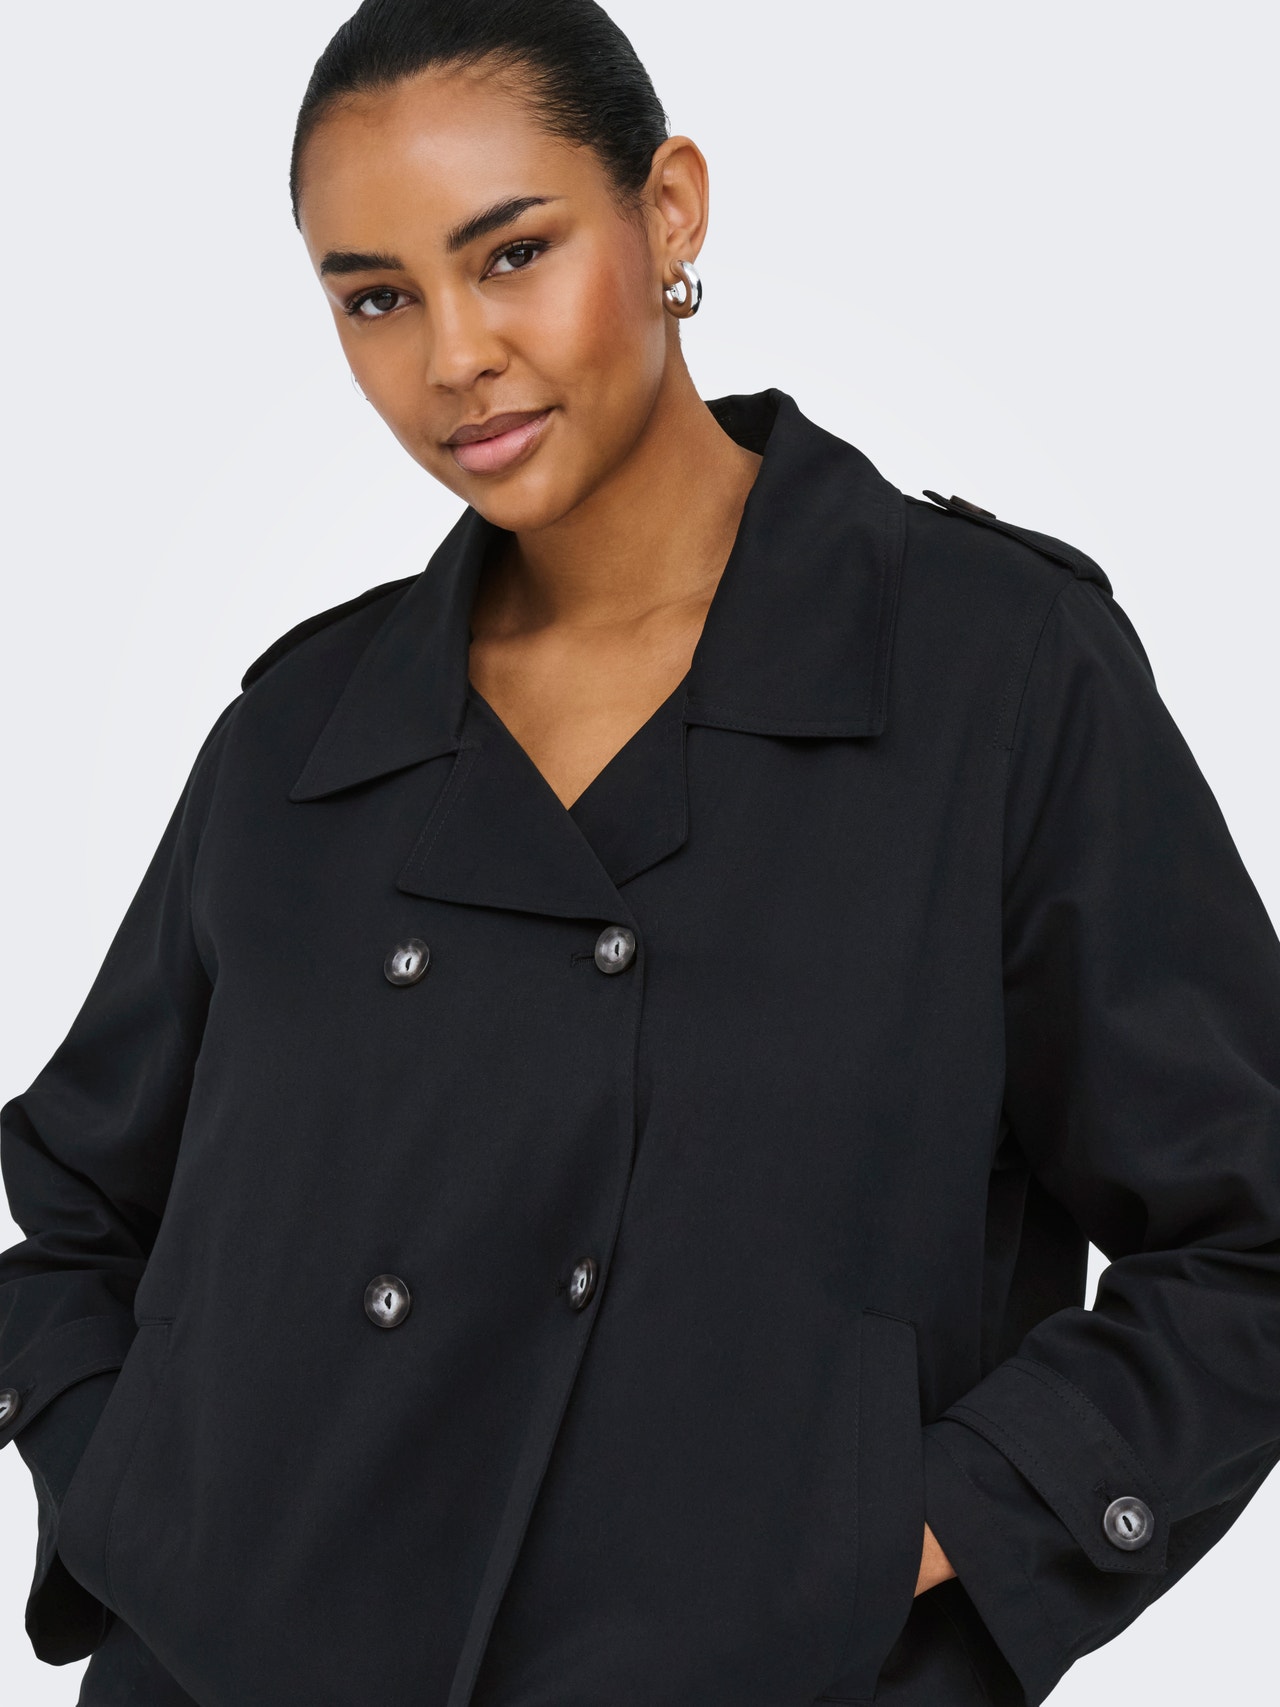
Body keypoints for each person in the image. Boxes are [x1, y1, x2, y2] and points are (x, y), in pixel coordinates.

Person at [2, 1, 1279, 1702]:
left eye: (512, 254)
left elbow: (1248, 1234)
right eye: (376, 297)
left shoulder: (988, 673)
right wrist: (131, 1498)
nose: (453, 354)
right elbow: (76, 1203)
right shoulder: (303, 734)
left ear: (669, 212)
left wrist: (919, 1526)